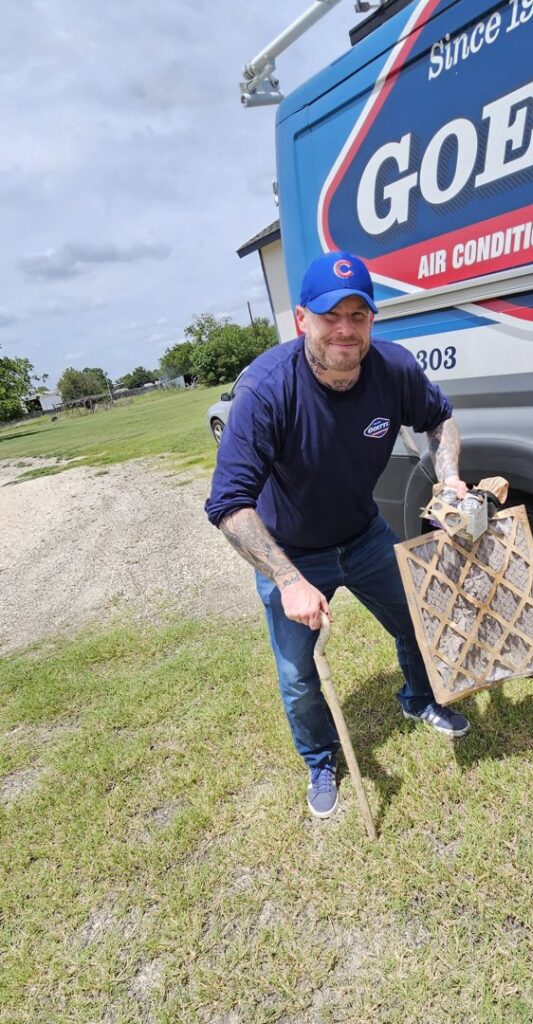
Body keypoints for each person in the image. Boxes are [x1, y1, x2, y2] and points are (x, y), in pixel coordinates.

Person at [205, 251, 470, 819]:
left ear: (373, 320)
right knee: (299, 674)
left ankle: (419, 699)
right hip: (292, 552)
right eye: (331, 316)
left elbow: (440, 417)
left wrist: (449, 478)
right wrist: (288, 579)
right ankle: (321, 759)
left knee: (415, 621)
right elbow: (228, 505)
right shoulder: (268, 389)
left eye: (358, 315)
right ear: (303, 319)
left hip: (363, 534)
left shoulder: (393, 369)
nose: (345, 330)